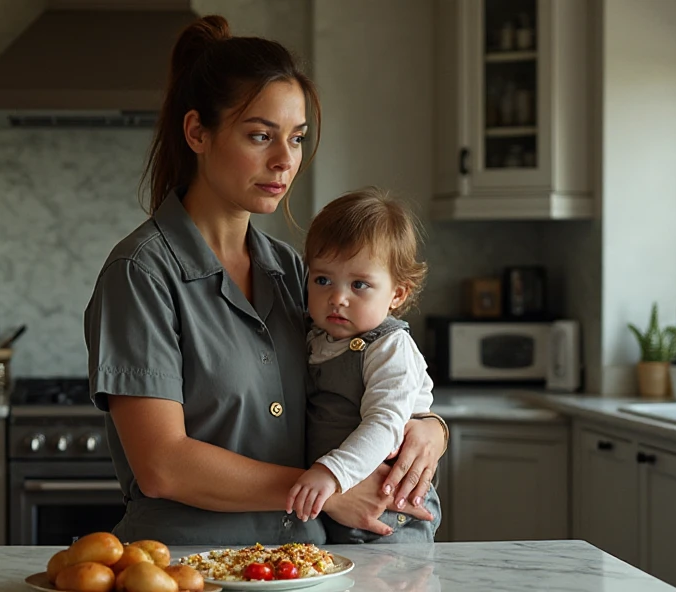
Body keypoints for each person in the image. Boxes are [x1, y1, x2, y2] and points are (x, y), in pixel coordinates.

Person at [83, 14, 448, 545]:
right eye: (260, 136)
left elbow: (371, 373)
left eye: (296, 139)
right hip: (189, 567)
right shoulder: (141, 274)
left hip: (302, 565)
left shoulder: (295, 272)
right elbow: (163, 465)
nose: (284, 161)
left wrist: (431, 429)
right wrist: (325, 488)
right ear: (196, 133)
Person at [286, 188, 444, 543]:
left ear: (397, 294)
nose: (337, 298)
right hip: (334, 507)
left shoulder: (390, 347)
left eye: (359, 284)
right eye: (322, 280)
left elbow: (385, 424)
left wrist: (331, 473)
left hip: (391, 510)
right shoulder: (314, 336)